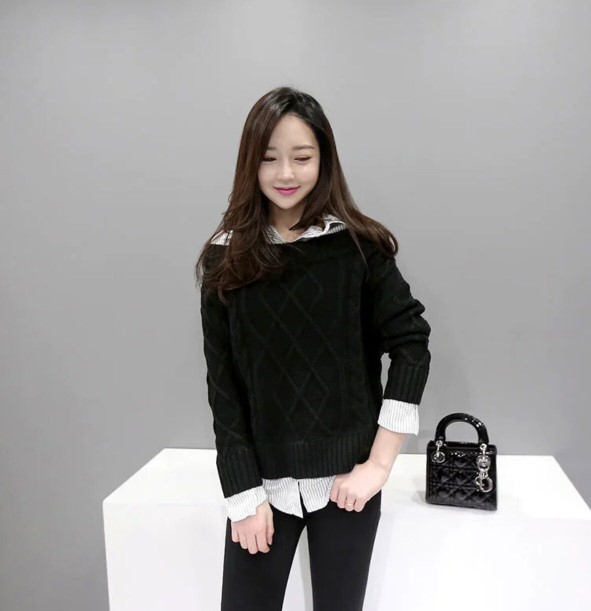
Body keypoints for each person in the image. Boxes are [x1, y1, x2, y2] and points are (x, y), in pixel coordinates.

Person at [195, 86, 432, 611]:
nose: (286, 173)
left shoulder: (358, 249)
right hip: (262, 489)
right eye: (269, 158)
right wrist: (243, 495)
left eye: (301, 157)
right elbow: (223, 386)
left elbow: (411, 344)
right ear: (249, 164)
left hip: (348, 486)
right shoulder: (224, 260)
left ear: (324, 161)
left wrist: (378, 466)